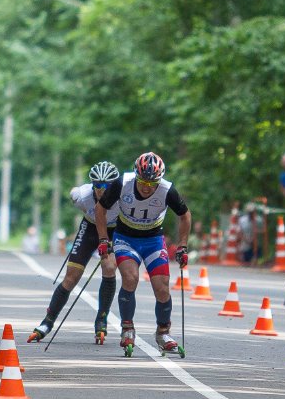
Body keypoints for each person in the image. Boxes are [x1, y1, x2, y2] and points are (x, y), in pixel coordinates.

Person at [95, 152, 192, 357]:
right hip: (125, 238)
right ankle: (127, 329)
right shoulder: (123, 183)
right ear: (136, 176)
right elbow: (100, 209)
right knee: (130, 279)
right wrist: (104, 239)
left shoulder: (167, 189)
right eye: (142, 181)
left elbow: (185, 215)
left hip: (153, 240)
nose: (147, 187)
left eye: (152, 183)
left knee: (162, 286)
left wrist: (183, 245)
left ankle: (163, 333)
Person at [29, 161, 121, 344]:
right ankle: (47, 322)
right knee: (72, 277)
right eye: (97, 185)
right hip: (90, 229)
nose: (101, 189)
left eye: (106, 186)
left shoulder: (123, 197)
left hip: (114, 231)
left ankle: (101, 320)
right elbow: (74, 192)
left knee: (109, 267)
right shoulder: (82, 195)